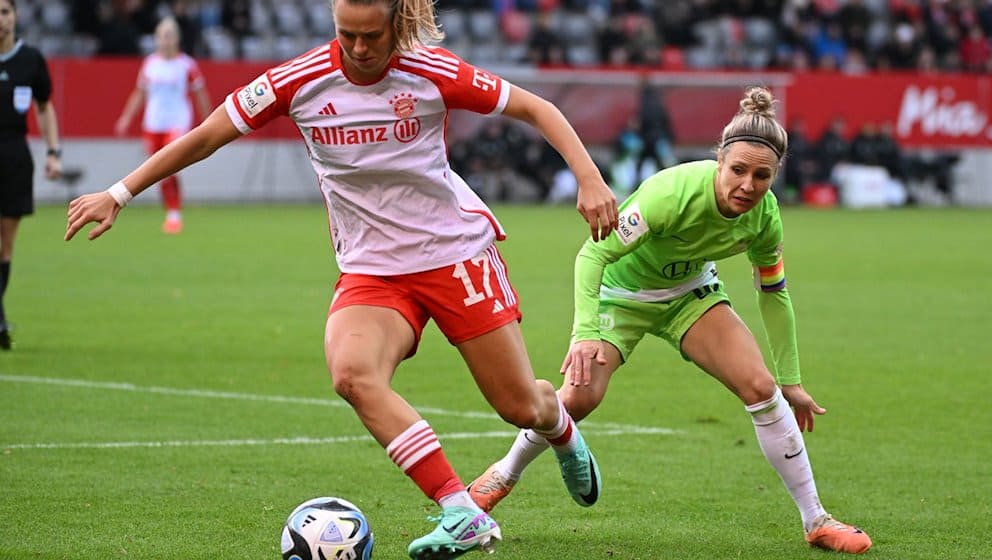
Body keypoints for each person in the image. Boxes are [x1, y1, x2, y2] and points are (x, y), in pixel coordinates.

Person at [65, 0, 619, 558]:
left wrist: (589, 177)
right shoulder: (298, 80)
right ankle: (460, 510)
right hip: (373, 270)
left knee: (522, 406)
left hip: (454, 257)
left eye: (372, 36)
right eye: (346, 35)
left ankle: (560, 432)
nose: (359, 49)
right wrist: (120, 192)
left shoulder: (431, 71)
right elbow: (208, 134)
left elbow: (535, 107)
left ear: (396, 24)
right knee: (353, 375)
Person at [468, 87, 874, 555]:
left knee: (762, 388)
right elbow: (593, 254)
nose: (747, 185)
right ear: (718, 161)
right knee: (579, 400)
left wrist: (792, 379)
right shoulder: (672, 192)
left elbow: (774, 293)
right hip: (621, 295)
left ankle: (816, 520)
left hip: (690, 296)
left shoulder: (765, 217)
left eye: (761, 176)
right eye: (738, 170)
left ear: (775, 175)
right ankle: (502, 474)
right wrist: (586, 333)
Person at [0, 0, 63, 350]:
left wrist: (53, 153)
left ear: (15, 17)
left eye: (5, 12)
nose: (0, 19)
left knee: (5, 246)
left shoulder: (30, 60)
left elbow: (44, 107)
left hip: (14, 156)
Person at [114, 16, 212, 234]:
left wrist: (208, 121)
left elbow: (200, 93)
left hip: (177, 122)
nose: (166, 40)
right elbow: (140, 93)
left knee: (170, 167)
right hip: (153, 123)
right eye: (162, 36)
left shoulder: (186, 64)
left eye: (170, 36)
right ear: (157, 39)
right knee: (156, 169)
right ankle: (170, 210)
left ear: (176, 39)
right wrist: (126, 117)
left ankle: (174, 214)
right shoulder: (150, 64)